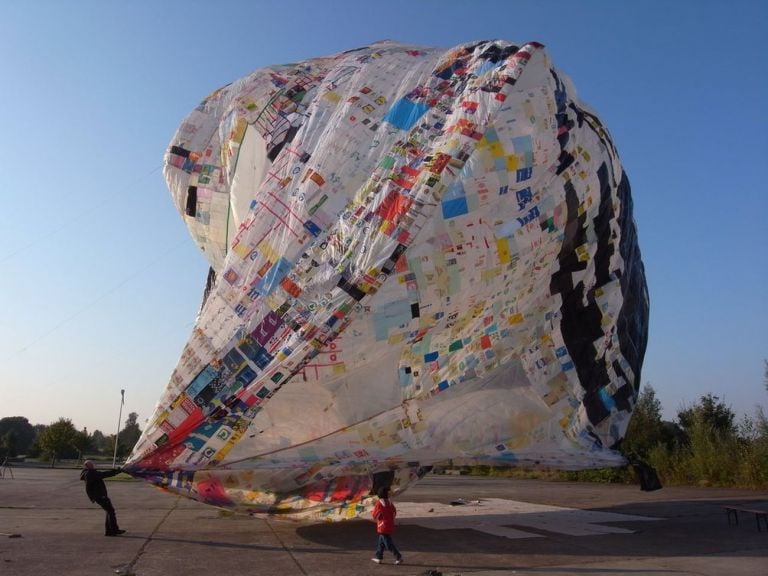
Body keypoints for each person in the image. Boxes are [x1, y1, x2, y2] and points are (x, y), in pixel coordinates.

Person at [80, 460, 125, 536]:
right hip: (100, 496)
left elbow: (102, 474)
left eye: (92, 464)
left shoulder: (90, 473)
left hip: (99, 496)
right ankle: (114, 530)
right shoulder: (90, 473)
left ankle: (109, 531)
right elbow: (105, 474)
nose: (93, 465)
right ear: (87, 466)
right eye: (91, 464)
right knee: (111, 511)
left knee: (109, 511)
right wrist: (118, 471)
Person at [371, 486, 403, 565]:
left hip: (383, 526)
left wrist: (376, 516)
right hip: (390, 524)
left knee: (388, 544)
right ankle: (378, 557)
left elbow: (375, 515)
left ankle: (398, 556)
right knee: (381, 542)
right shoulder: (390, 502)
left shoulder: (379, 503)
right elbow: (394, 512)